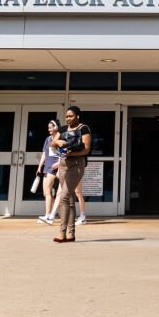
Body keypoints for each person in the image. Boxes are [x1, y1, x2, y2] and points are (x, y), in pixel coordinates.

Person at [51, 104, 91, 243]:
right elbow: (52, 144)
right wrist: (58, 142)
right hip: (63, 165)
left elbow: (86, 150)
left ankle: (61, 233)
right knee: (69, 200)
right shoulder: (62, 129)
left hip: (76, 164)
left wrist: (72, 152)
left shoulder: (84, 128)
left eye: (71, 116)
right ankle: (71, 234)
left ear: (77, 116)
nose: (68, 119)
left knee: (64, 196)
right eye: (66, 116)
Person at [36, 119, 62, 225]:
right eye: (48, 127)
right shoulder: (48, 139)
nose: (49, 129)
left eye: (50, 127)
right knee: (45, 192)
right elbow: (44, 153)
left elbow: (65, 152)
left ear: (55, 127)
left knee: (48, 190)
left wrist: (59, 163)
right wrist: (40, 166)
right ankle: (55, 213)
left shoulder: (60, 138)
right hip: (47, 166)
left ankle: (48, 215)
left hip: (54, 167)